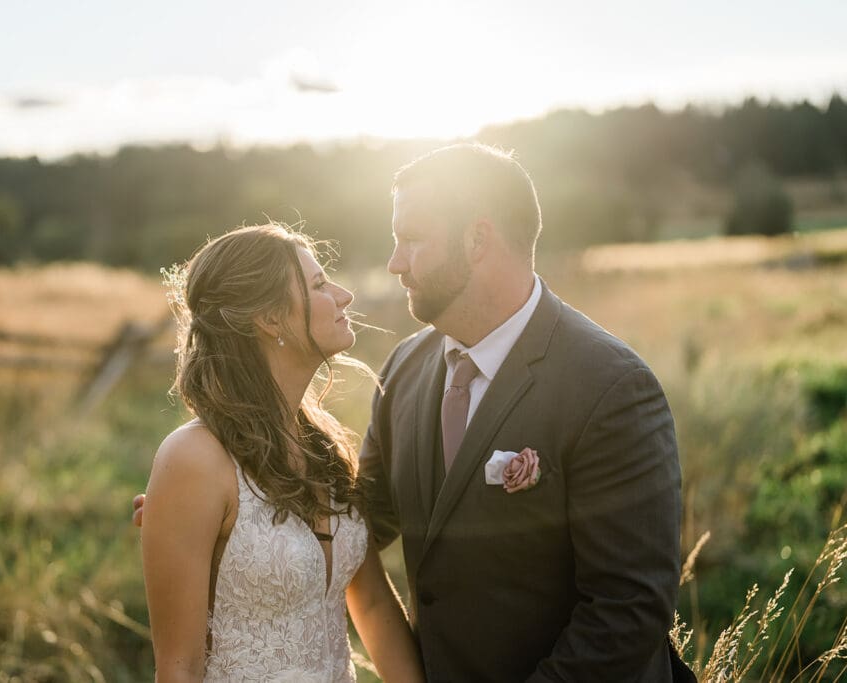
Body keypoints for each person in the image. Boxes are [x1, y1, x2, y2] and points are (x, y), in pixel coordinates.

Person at [359, 143, 690, 682]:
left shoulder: (612, 387)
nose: (395, 262)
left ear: (477, 239)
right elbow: (360, 523)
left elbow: (629, 610)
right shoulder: (403, 369)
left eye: (412, 240)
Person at [137, 224, 424, 682]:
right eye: (318, 285)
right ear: (270, 319)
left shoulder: (325, 445)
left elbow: (369, 601)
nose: (344, 295)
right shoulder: (193, 459)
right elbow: (179, 668)